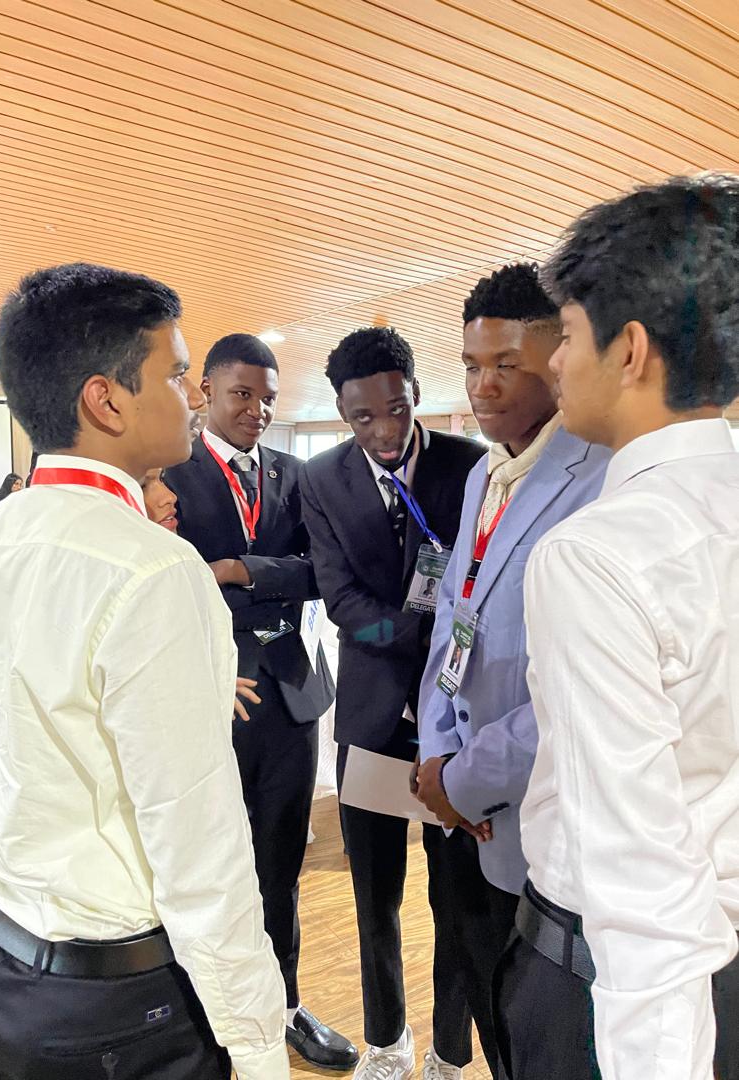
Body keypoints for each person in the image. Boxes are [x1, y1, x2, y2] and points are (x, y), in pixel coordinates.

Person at [0, 263, 290, 1080]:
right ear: (106, 399)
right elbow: (198, 850)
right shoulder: (153, 569)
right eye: (174, 374)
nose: (191, 396)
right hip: (114, 1011)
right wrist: (258, 1040)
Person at [495, 173, 739, 1080]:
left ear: (630, 349)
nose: (554, 364)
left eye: (568, 335)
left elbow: (639, 878)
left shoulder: (598, 553)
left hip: (620, 994)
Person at [414, 263, 610, 1078]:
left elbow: (576, 687)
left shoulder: (599, 476)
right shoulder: (480, 475)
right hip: (457, 803)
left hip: (534, 823)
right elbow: (449, 625)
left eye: (506, 365)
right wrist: (436, 752)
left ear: (557, 360)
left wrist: (467, 782)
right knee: (483, 999)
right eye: (470, 365)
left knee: (536, 1034)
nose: (482, 385)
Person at [164, 334, 356, 1073]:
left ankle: (286, 1006)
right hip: (210, 692)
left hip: (291, 692)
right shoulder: (168, 470)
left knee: (280, 862)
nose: (258, 410)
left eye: (269, 398)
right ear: (207, 391)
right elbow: (168, 578)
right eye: (243, 394)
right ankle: (206, 1016)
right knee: (210, 863)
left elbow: (322, 571)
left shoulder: (293, 474)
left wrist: (240, 569)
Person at [299, 327, 484, 1080]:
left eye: (397, 410)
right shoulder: (322, 479)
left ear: (414, 394)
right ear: (342, 413)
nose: (383, 430)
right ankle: (387, 1042)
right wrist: (422, 631)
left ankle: (449, 1051)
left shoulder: (469, 466)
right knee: (375, 897)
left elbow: (478, 583)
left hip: (455, 721)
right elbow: (342, 604)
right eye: (362, 418)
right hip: (372, 719)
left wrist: (442, 635)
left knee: (455, 898)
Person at [141, 466, 262, 724]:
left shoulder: (181, 560)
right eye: (143, 486)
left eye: (161, 480)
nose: (169, 497)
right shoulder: (123, 578)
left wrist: (208, 677)